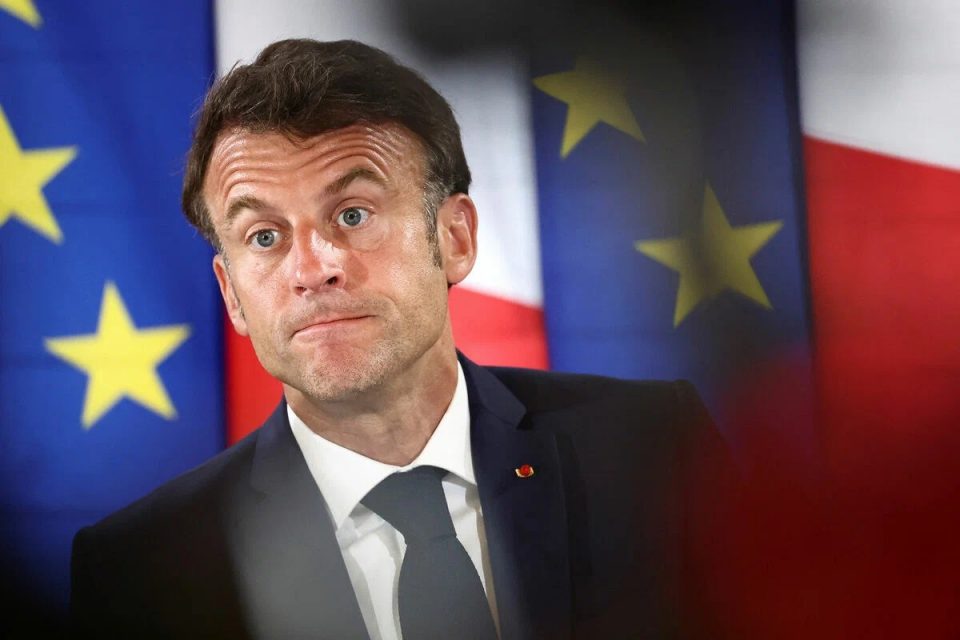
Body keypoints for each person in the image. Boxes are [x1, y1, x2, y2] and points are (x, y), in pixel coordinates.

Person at [70, 38, 734, 639]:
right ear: (232, 295)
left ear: (456, 238)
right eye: (264, 236)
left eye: (353, 214)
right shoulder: (142, 571)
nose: (313, 268)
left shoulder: (657, 451)